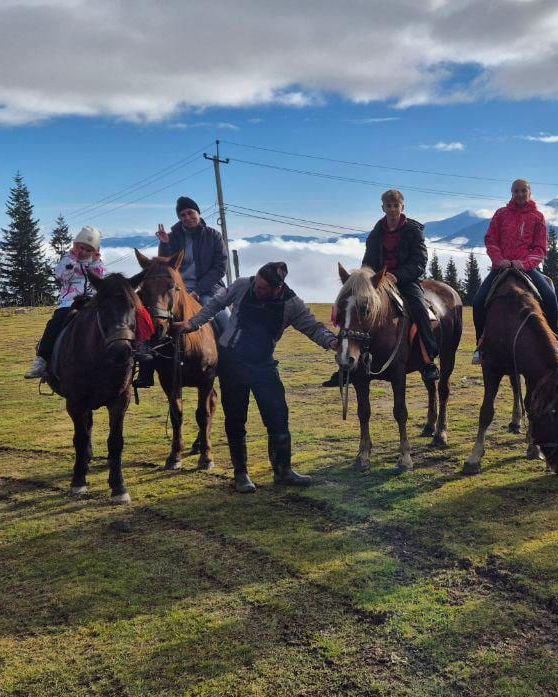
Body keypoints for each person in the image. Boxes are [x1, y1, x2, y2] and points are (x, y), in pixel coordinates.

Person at [172, 261, 338, 491]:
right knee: (236, 418)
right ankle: (241, 474)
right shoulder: (242, 285)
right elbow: (216, 304)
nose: (257, 290)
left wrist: (332, 342)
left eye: (262, 288)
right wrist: (192, 324)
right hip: (232, 362)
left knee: (278, 415)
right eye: (257, 284)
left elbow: (312, 327)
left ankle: (283, 471)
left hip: (263, 364)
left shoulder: (292, 304)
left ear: (277, 288)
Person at [137, 196, 229, 388]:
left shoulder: (213, 235)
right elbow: (165, 265)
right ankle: (147, 367)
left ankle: (230, 363)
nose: (187, 217)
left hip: (208, 288)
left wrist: (198, 290)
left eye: (190, 213)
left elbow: (220, 267)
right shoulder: (173, 235)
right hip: (176, 288)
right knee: (152, 316)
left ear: (198, 214)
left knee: (224, 319)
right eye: (182, 215)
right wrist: (164, 243)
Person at [471, 179, 558, 364]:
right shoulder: (500, 214)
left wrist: (525, 263)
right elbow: (491, 240)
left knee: (550, 298)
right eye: (516, 191)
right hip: (501, 268)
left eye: (523, 191)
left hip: (526, 269)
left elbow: (540, 248)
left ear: (529, 192)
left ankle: (555, 342)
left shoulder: (538, 217)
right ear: (511, 193)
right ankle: (481, 346)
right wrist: (499, 260)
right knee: (478, 301)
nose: (520, 194)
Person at [362, 190, 440, 383]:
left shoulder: (413, 231)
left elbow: (420, 261)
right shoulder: (375, 233)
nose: (392, 209)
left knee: (420, 310)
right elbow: (368, 262)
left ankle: (428, 360)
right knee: (358, 309)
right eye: (388, 206)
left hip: (405, 281)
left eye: (396, 205)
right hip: (379, 282)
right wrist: (370, 278)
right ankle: (356, 358)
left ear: (402, 207)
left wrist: (397, 276)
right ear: (383, 208)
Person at [24, 226, 106, 379]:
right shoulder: (68, 260)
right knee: (54, 324)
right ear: (75, 245)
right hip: (70, 302)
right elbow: (62, 276)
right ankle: (42, 359)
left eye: (89, 250)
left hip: (93, 302)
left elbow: (100, 279)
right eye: (81, 247)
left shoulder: (96, 263)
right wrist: (73, 260)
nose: (84, 252)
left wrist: (95, 262)